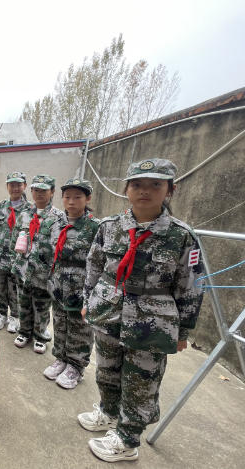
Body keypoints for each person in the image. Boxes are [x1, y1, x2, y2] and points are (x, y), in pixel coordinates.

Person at [78, 159, 204, 462]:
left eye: (155, 185)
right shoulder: (109, 228)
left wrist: (183, 330)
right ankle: (109, 414)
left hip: (152, 321)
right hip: (108, 312)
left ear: (170, 190)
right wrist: (86, 301)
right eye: (137, 184)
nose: (145, 191)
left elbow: (190, 286)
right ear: (126, 189)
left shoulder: (182, 236)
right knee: (107, 371)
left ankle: (128, 440)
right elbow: (94, 267)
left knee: (140, 382)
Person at [42, 179, 100, 389]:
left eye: (78, 197)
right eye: (67, 197)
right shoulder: (56, 223)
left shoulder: (95, 227)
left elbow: (99, 262)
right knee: (59, 322)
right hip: (58, 284)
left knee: (80, 328)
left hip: (81, 287)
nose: (71, 201)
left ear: (88, 199)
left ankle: (76, 366)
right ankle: (61, 358)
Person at [12, 174, 64, 353]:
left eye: (44, 190)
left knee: (42, 305)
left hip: (43, 271)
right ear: (31, 191)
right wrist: (15, 261)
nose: (39, 193)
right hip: (23, 268)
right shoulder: (25, 213)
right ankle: (25, 331)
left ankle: (40, 335)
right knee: (24, 302)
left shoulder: (58, 217)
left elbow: (60, 247)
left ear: (52, 192)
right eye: (36, 190)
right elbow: (15, 238)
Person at [0, 172, 32, 332]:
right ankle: (2, 315)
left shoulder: (30, 209)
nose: (15, 188)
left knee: (15, 290)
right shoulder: (0, 207)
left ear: (24, 186)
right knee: (0, 288)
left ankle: (14, 317)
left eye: (19, 185)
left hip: (18, 259)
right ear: (7, 187)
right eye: (12, 185)